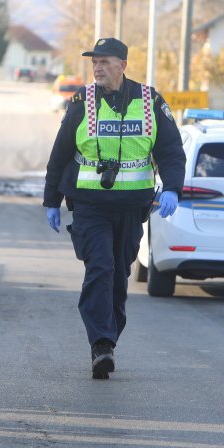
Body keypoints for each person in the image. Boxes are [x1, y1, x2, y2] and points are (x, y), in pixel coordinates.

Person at [43, 37, 186, 379]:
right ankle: (101, 345)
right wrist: (51, 200)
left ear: (123, 64)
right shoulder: (81, 102)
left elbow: (170, 150)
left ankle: (109, 338)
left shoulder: (150, 101)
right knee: (100, 269)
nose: (98, 67)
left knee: (119, 279)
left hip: (132, 209)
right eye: (94, 62)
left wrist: (173, 189)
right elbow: (61, 152)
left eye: (105, 61)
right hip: (91, 206)